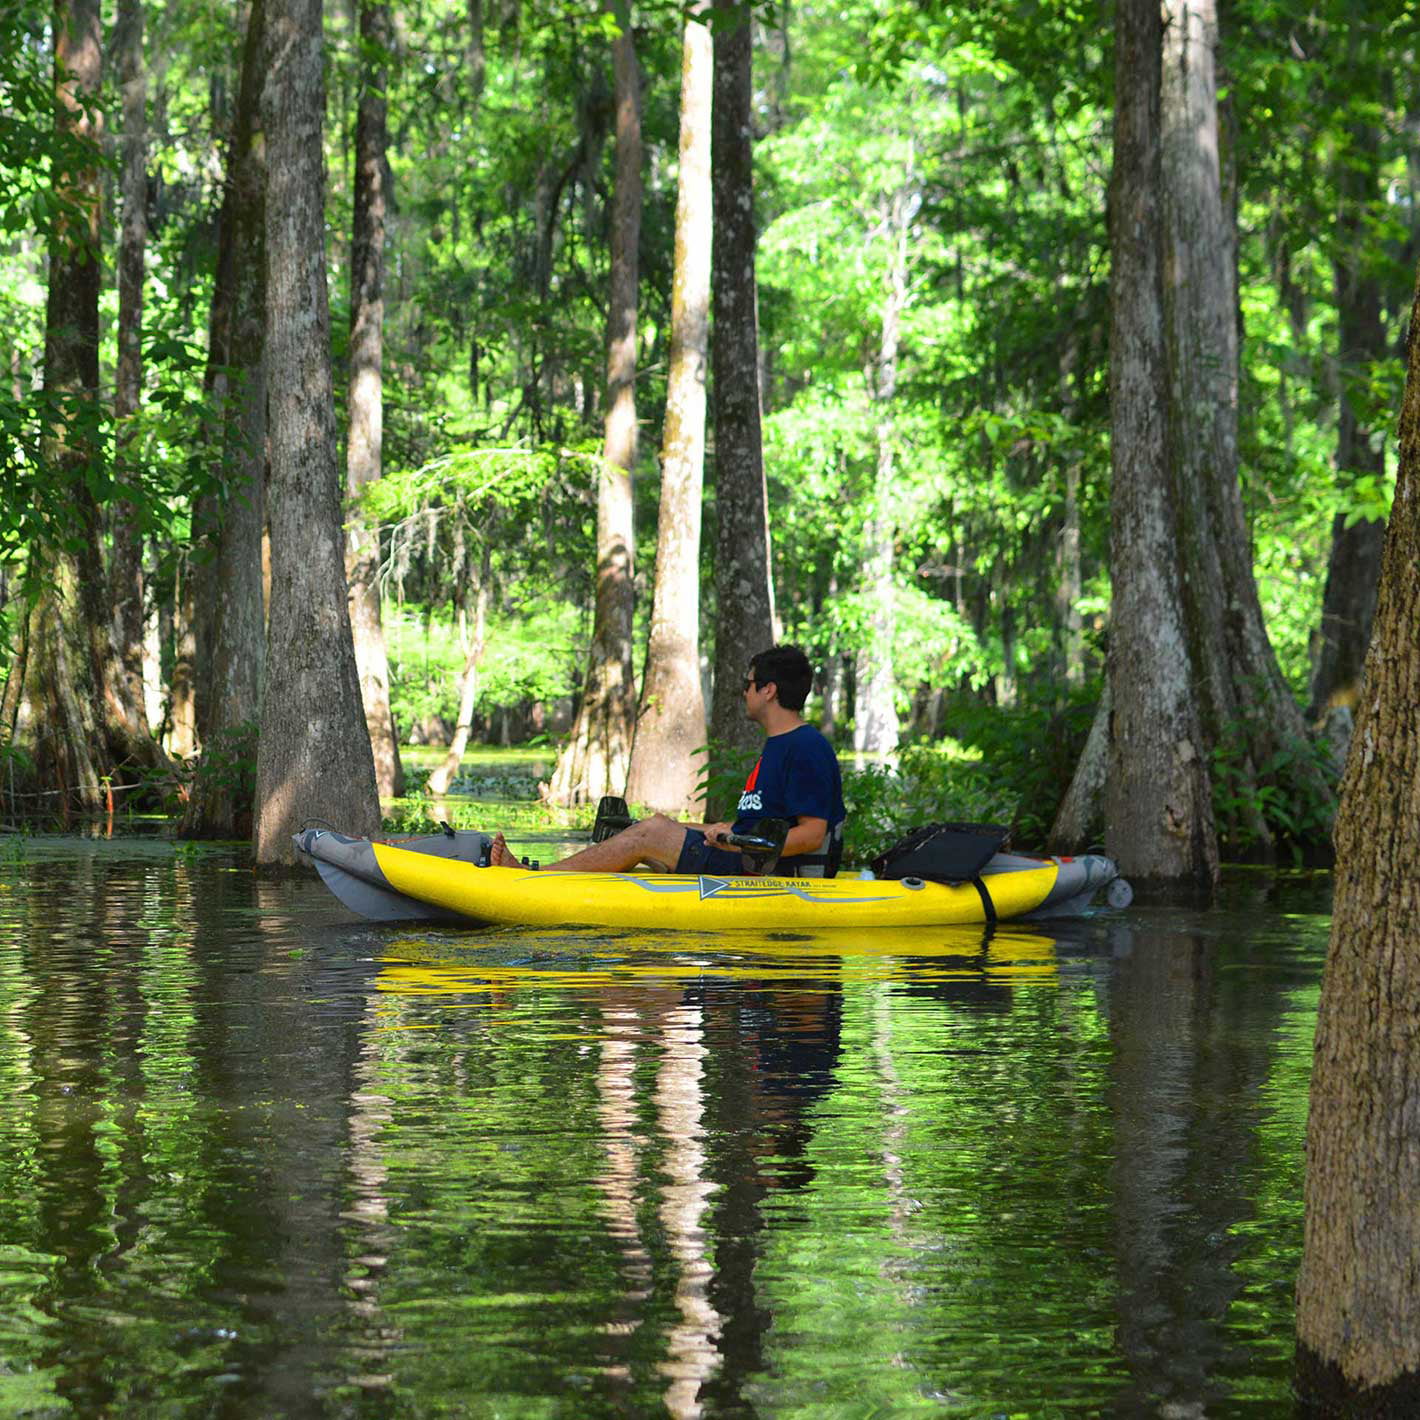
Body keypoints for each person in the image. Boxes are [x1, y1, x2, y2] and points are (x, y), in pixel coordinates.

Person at [489, 644, 845, 875]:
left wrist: (734, 841)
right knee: (654, 829)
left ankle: (535, 879)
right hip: (744, 858)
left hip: (771, 874)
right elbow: (750, 829)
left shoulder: (805, 747)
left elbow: (812, 836)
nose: (743, 690)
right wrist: (701, 831)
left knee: (654, 833)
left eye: (748, 683)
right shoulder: (778, 745)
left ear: (769, 690)